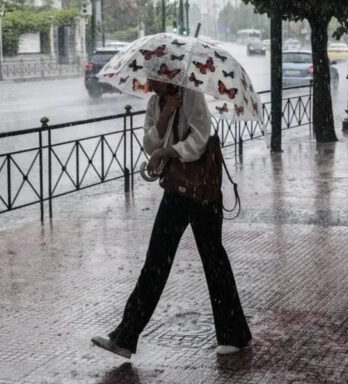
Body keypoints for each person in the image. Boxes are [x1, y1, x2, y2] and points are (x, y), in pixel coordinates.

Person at [91, 79, 252, 359]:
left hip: (202, 190)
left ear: (167, 75)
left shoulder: (192, 95)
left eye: (153, 75)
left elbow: (201, 139)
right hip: (176, 189)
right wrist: (165, 115)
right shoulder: (155, 102)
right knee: (156, 261)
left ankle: (235, 335)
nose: (147, 81)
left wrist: (169, 151)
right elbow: (149, 143)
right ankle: (125, 337)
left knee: (213, 259)